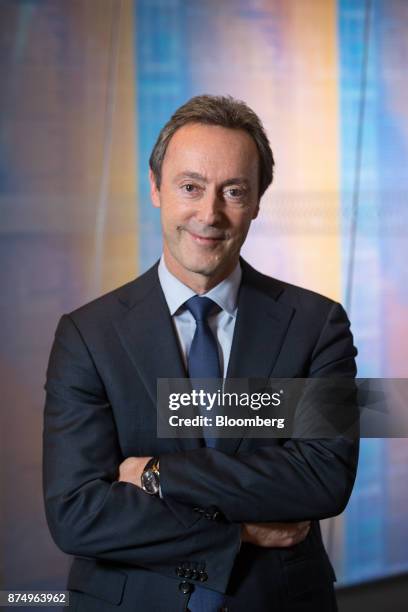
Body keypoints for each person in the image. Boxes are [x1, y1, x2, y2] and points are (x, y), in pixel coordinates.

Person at [43, 95, 359, 612]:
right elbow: (77, 513)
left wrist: (156, 474)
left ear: (258, 200)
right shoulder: (86, 334)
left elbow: (324, 479)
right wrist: (236, 536)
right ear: (156, 188)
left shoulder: (318, 325)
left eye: (233, 191)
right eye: (190, 187)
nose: (209, 214)